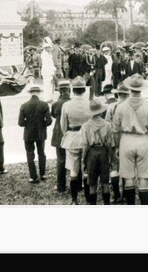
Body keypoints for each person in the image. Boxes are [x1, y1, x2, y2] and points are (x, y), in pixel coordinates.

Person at [112, 74, 148, 205]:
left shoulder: (120, 107)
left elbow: (115, 130)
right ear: (142, 89)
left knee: (129, 177)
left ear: (129, 88)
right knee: (144, 178)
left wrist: (117, 146)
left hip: (126, 140)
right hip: (144, 140)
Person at [60, 76, 92, 204]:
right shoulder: (90, 104)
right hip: (87, 138)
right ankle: (89, 199)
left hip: (72, 137)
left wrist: (68, 135)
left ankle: (74, 199)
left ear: (73, 90)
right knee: (86, 170)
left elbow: (63, 125)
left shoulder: (67, 105)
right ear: (84, 90)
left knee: (73, 170)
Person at [80, 99, 114, 205]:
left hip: (91, 153)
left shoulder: (85, 126)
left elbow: (85, 145)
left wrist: (83, 160)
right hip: (103, 152)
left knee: (92, 183)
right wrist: (112, 159)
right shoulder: (107, 125)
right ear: (101, 111)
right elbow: (109, 144)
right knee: (105, 183)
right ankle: (106, 204)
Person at [18, 84, 53, 184]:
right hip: (40, 132)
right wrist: (42, 125)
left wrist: (27, 124)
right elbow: (49, 121)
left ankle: (33, 176)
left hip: (28, 133)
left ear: (31, 93)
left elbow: (20, 123)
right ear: (38, 93)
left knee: (30, 154)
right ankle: (42, 174)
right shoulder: (44, 105)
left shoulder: (24, 105)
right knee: (41, 153)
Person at [105, 81, 130, 203]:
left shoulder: (111, 106)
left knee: (114, 165)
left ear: (118, 94)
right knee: (126, 166)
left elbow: (107, 124)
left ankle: (116, 194)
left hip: (114, 139)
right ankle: (125, 193)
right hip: (127, 138)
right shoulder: (130, 107)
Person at [51, 79, 72, 192]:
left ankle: (61, 186)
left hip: (59, 133)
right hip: (72, 133)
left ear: (60, 90)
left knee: (61, 160)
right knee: (75, 159)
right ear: (69, 89)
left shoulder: (56, 104)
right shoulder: (72, 102)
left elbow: (54, 115)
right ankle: (77, 184)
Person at [40, 37, 56, 103]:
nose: (50, 48)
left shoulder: (49, 54)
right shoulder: (44, 54)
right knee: (47, 85)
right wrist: (52, 71)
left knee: (50, 85)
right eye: (49, 47)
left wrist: (53, 70)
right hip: (47, 71)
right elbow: (48, 64)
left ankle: (50, 97)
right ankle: (46, 98)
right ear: (45, 48)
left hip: (50, 71)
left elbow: (51, 63)